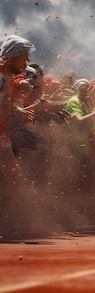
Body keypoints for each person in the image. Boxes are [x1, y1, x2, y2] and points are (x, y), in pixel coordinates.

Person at [0, 35, 35, 219]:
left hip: (1, 135)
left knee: (13, 177)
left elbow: (5, 105)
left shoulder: (8, 76)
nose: (27, 62)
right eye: (24, 58)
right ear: (12, 56)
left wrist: (19, 111)